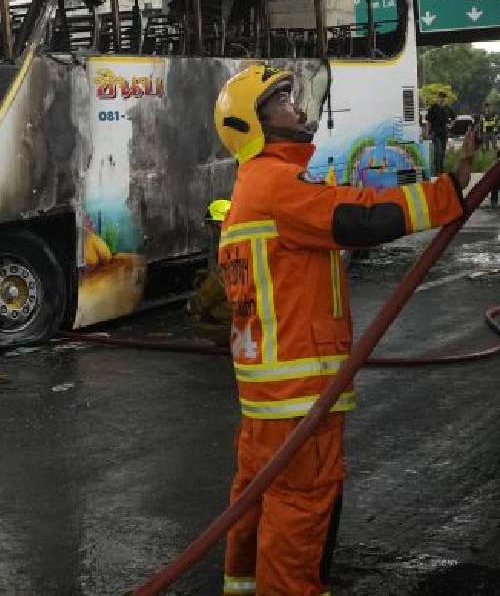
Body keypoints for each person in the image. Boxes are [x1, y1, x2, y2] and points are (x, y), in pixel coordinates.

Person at [214, 65, 473, 596]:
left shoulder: (253, 188)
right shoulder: (275, 184)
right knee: (302, 506)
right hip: (298, 394)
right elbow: (359, 218)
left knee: (256, 499)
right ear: (253, 125)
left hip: (269, 397)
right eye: (281, 101)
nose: (297, 108)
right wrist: (448, 191)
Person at [186, 199, 232, 347]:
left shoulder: (230, 248)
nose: (212, 233)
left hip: (243, 312)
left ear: (219, 225)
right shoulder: (240, 242)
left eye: (212, 227)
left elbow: (219, 282)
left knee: (213, 311)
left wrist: (194, 305)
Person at [424, 91, 455, 174]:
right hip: (435, 133)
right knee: (438, 151)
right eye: (440, 97)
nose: (442, 99)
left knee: (443, 153)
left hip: (444, 134)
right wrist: (427, 133)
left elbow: (453, 119)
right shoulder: (433, 108)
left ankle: (441, 170)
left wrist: (450, 126)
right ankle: (437, 170)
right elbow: (429, 122)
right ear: (438, 98)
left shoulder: (448, 108)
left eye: (443, 98)